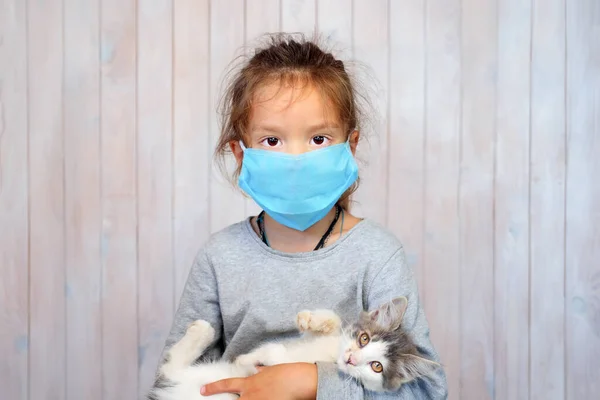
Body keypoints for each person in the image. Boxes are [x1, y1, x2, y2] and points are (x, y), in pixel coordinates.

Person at [156, 33, 448, 399]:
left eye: (319, 139)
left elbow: (425, 390)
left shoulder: (377, 254)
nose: (295, 161)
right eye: (272, 141)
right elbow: (171, 385)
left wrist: (311, 381)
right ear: (240, 153)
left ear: (350, 147)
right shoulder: (219, 257)